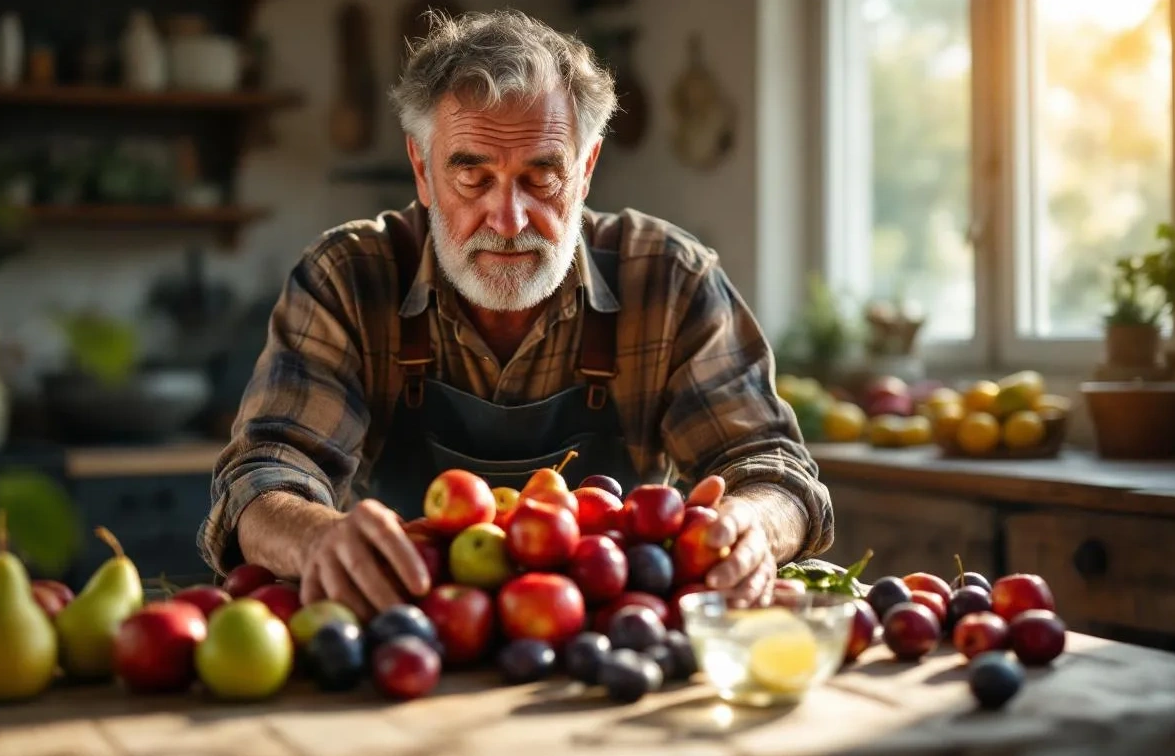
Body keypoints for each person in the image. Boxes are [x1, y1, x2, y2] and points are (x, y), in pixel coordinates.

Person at [198, 10, 833, 619]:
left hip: (612, 644)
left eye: (541, 177)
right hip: (405, 634)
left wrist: (754, 525)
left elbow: (772, 468)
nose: (509, 222)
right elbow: (263, 474)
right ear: (422, 170)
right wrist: (315, 537)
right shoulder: (349, 278)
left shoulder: (669, 279)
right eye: (473, 178)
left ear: (585, 170)